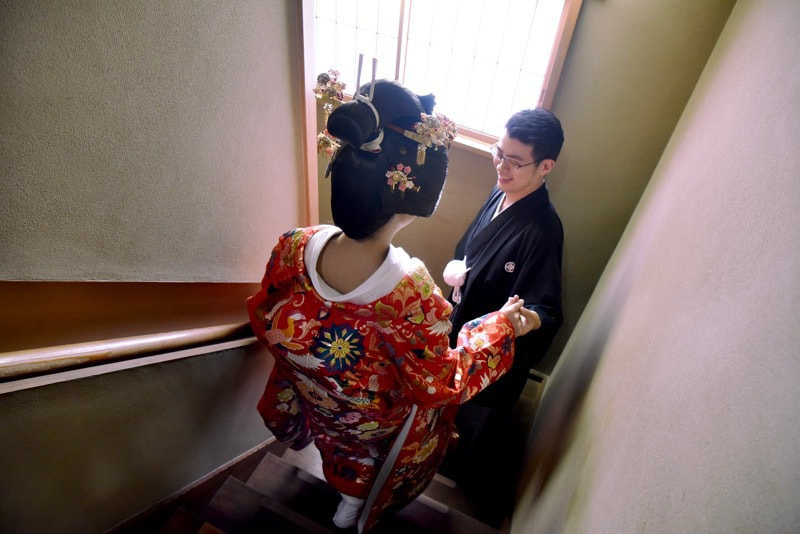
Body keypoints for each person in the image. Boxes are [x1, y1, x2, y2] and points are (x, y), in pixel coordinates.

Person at [247, 77, 539, 533]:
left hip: (312, 395)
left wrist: (314, 357)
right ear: (411, 205)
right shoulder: (410, 294)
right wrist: (500, 328)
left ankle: (344, 487)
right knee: (365, 453)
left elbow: (263, 314)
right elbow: (440, 382)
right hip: (370, 421)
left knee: (332, 437)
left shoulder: (292, 245)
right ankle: (352, 503)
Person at [440, 107, 565, 525]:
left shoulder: (543, 229)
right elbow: (472, 245)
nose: (501, 166)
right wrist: (459, 270)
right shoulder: (502, 191)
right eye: (499, 153)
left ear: (545, 166)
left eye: (514, 161)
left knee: (466, 433)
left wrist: (527, 320)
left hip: (485, 361)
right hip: (459, 327)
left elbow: (546, 310)